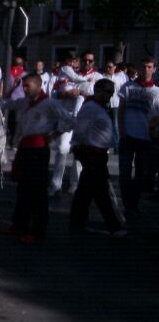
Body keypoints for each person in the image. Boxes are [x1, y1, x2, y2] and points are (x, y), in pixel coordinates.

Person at [8, 74, 75, 243]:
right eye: (23, 86)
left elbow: (69, 120)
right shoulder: (24, 102)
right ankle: (19, 225)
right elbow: (7, 104)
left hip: (38, 149)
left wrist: (55, 133)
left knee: (37, 190)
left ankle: (37, 231)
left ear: (38, 86)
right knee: (23, 188)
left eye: (28, 85)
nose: (24, 89)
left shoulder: (49, 103)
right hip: (25, 147)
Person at [69, 79, 127, 237]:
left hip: (98, 153)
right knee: (101, 192)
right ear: (97, 90)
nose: (109, 95)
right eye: (106, 91)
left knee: (85, 190)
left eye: (111, 92)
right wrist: (77, 147)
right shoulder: (91, 108)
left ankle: (77, 221)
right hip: (92, 153)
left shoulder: (99, 107)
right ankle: (113, 225)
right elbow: (80, 129)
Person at [50, 50, 102, 197]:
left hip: (85, 119)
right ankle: (56, 185)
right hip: (67, 116)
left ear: (94, 62)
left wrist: (82, 94)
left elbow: (101, 97)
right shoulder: (69, 72)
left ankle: (75, 184)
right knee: (62, 149)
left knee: (79, 154)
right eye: (84, 60)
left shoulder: (97, 77)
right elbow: (54, 92)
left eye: (90, 61)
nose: (87, 63)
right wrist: (66, 93)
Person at [117, 56, 159, 216]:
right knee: (125, 173)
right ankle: (128, 204)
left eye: (149, 67)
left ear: (154, 69)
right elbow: (121, 110)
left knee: (141, 174)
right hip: (128, 136)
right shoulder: (127, 87)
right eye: (143, 66)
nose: (146, 70)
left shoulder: (156, 91)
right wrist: (121, 130)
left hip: (146, 139)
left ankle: (133, 203)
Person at [101, 60, 128, 149]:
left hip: (115, 104)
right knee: (105, 125)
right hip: (105, 104)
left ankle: (117, 146)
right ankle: (105, 145)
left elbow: (122, 91)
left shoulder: (119, 78)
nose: (108, 69)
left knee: (116, 126)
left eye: (110, 67)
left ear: (114, 67)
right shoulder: (102, 78)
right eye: (107, 67)